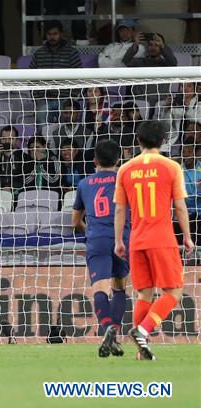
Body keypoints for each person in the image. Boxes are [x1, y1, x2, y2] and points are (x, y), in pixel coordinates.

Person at [113, 121, 194, 360]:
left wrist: (119, 240)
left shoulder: (126, 169)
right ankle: (143, 330)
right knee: (173, 292)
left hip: (137, 239)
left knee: (144, 295)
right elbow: (179, 206)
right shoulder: (171, 167)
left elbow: (120, 210)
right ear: (163, 141)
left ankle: (141, 352)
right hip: (162, 238)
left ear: (139, 141)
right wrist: (187, 237)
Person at [72, 139, 129, 357]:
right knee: (119, 288)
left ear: (94, 160)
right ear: (118, 160)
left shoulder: (84, 184)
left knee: (99, 289)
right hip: (122, 239)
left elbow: (75, 221)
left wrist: (90, 231)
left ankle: (106, 329)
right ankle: (113, 332)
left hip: (96, 240)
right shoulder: (125, 181)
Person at [0, 125, 26, 191]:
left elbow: (27, 181)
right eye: (4, 139)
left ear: (16, 140)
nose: (7, 141)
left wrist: (11, 187)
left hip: (17, 193)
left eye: (10, 139)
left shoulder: (24, 157)